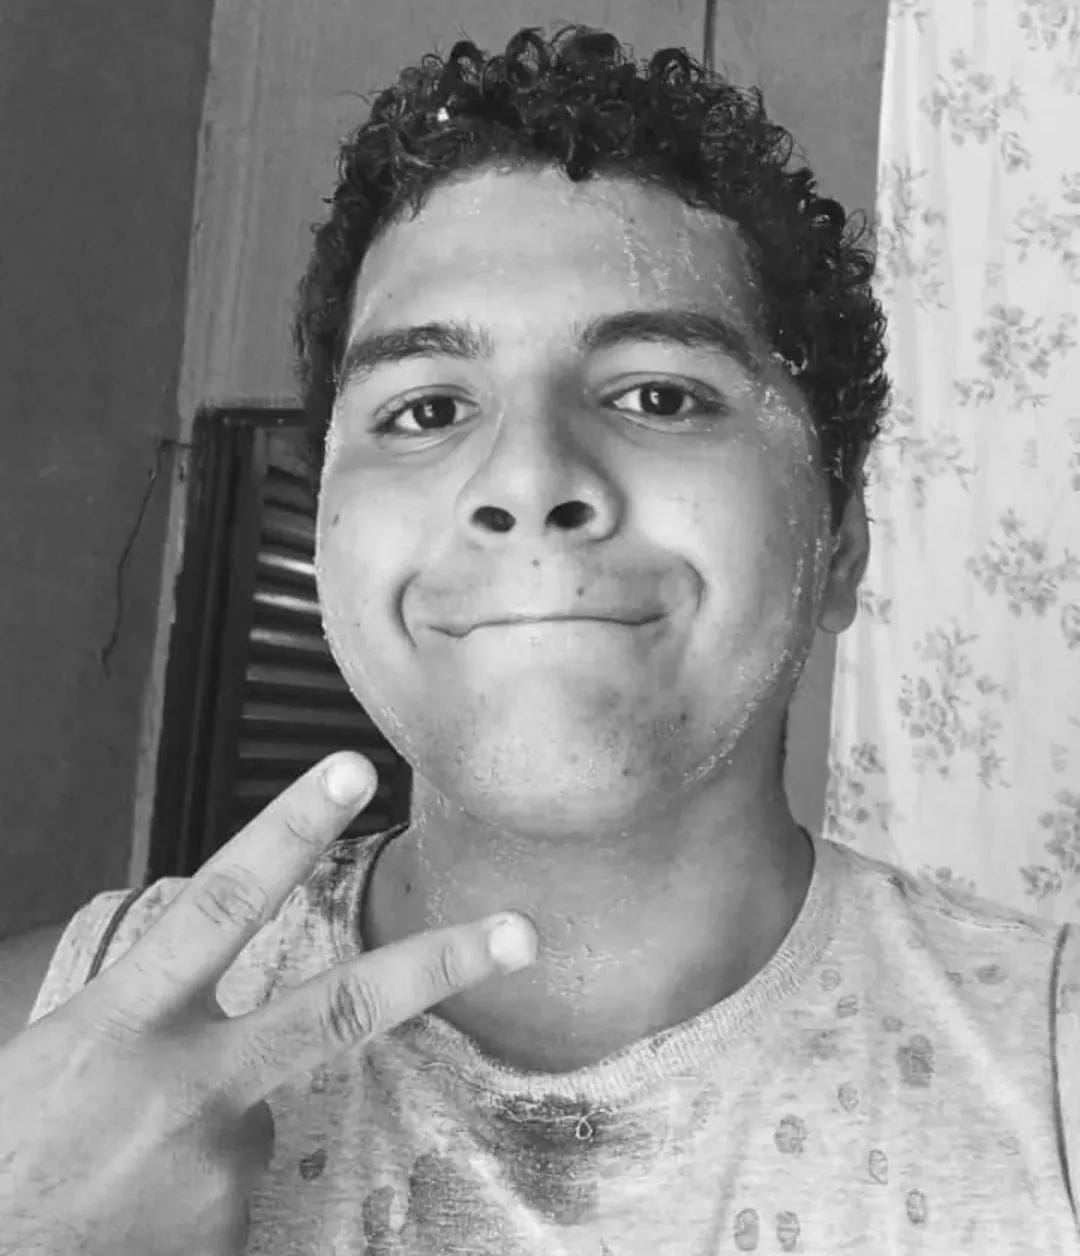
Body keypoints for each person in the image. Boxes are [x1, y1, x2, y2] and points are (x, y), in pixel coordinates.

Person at [3, 22, 1080, 1255]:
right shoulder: (40, 1044)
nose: (524, 478)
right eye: (425, 409)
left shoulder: (1049, 1075)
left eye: (659, 394)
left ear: (837, 546)